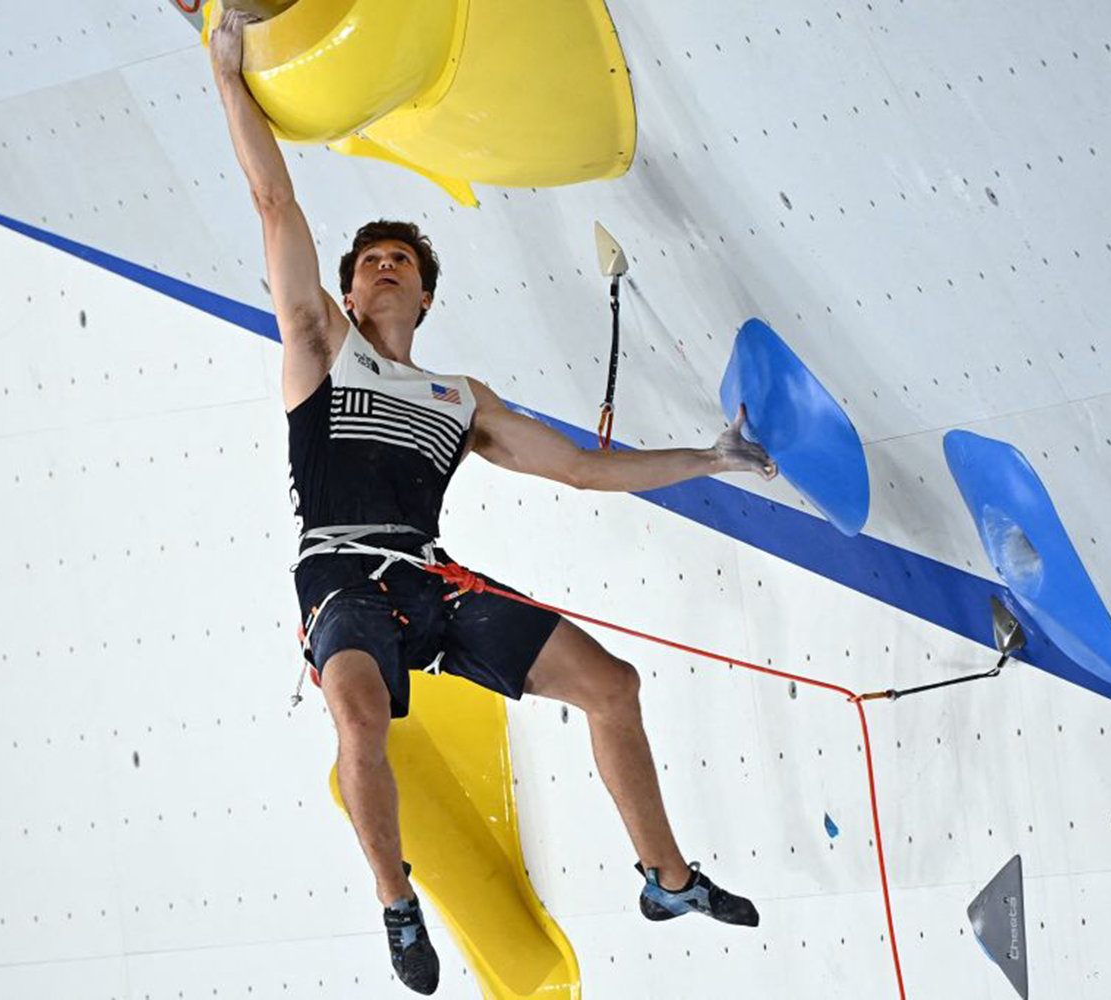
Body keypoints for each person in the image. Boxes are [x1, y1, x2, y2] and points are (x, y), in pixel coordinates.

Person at [210, 9, 779, 995]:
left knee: (614, 687)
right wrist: (226, 70)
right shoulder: (319, 348)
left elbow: (580, 470)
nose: (383, 267)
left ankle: (668, 879)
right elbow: (271, 201)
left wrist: (713, 457)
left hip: (433, 579)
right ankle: (398, 904)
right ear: (346, 294)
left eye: (403, 263)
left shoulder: (460, 399)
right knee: (359, 723)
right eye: (368, 263)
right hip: (341, 574)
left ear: (426, 297)